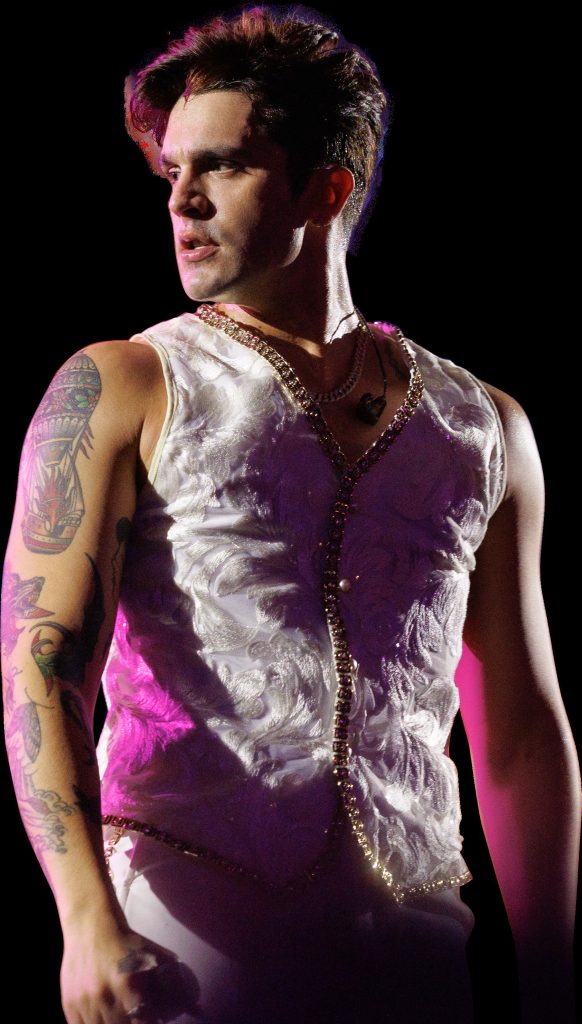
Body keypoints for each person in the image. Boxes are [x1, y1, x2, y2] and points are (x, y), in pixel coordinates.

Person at [1, 4, 579, 1023]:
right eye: (171, 170)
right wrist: (84, 921)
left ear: (327, 188)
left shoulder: (483, 426)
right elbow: (42, 666)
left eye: (221, 165)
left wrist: (549, 982)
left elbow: (521, 729)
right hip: (185, 948)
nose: (182, 198)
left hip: (415, 957)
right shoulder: (123, 384)